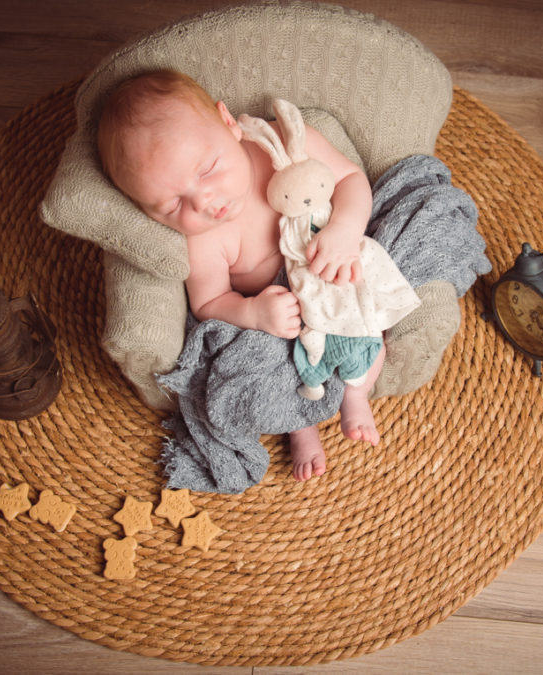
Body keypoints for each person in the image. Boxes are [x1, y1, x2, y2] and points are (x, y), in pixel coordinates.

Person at [98, 69, 381, 482]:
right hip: (274, 312)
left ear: (229, 123)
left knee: (370, 314)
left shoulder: (284, 147)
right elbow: (209, 302)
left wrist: (345, 230)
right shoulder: (201, 240)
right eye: (172, 204)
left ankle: (357, 395)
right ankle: (300, 428)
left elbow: (352, 179)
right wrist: (252, 313)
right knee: (263, 366)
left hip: (327, 264)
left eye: (208, 169)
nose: (205, 204)